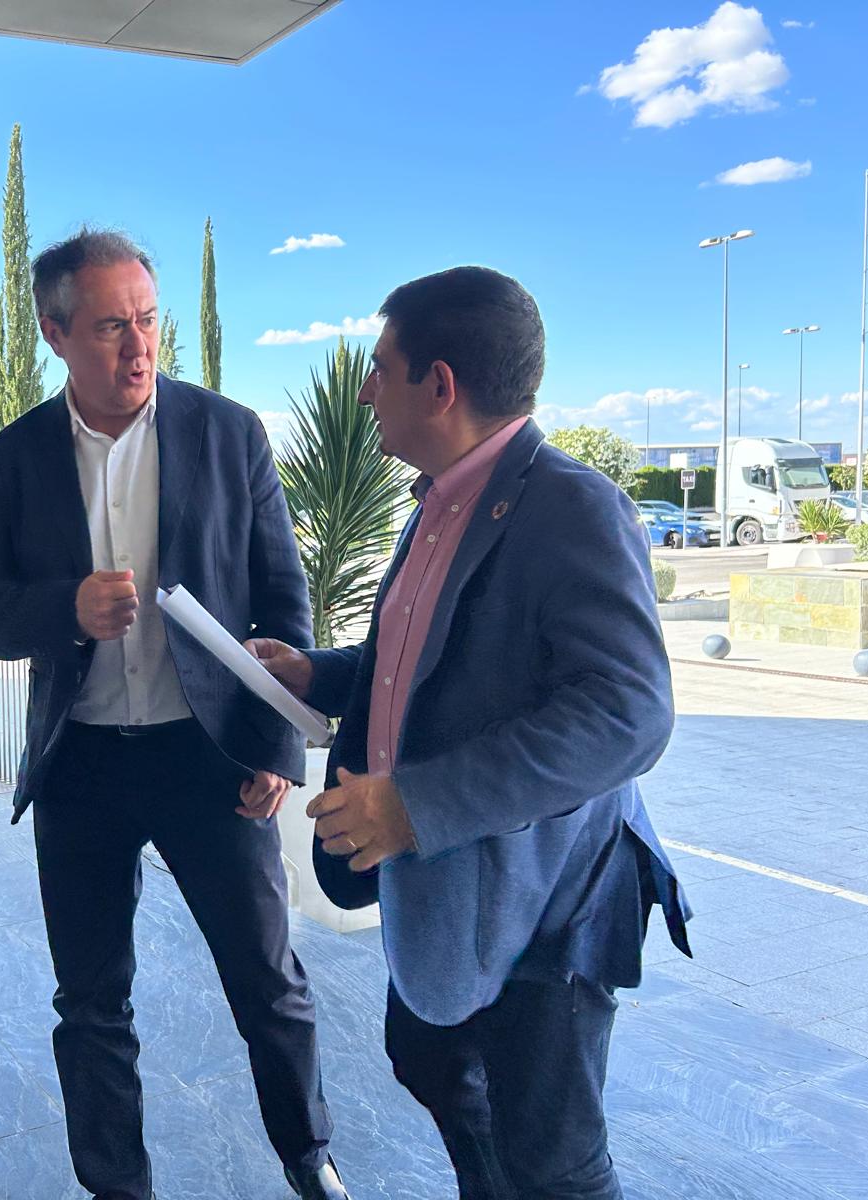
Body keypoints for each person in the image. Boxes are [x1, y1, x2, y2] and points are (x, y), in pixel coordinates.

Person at [248, 265, 691, 1199]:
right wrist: (316, 671)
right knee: (434, 1068)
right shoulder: (436, 503)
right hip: (448, 905)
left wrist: (416, 804)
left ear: (438, 386)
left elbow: (628, 712)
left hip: (545, 908)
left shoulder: (572, 507)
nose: (365, 391)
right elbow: (416, 660)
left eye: (380, 369)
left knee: (554, 1166)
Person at [0, 229, 349, 1200]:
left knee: (266, 982)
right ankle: (116, 1188)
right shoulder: (13, 460)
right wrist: (64, 609)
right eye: (107, 328)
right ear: (53, 332)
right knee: (90, 1002)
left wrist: (274, 748)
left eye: (146, 319)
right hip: (79, 765)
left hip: (207, 755)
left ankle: (310, 1161)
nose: (137, 346)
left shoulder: (229, 433)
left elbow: (281, 602)